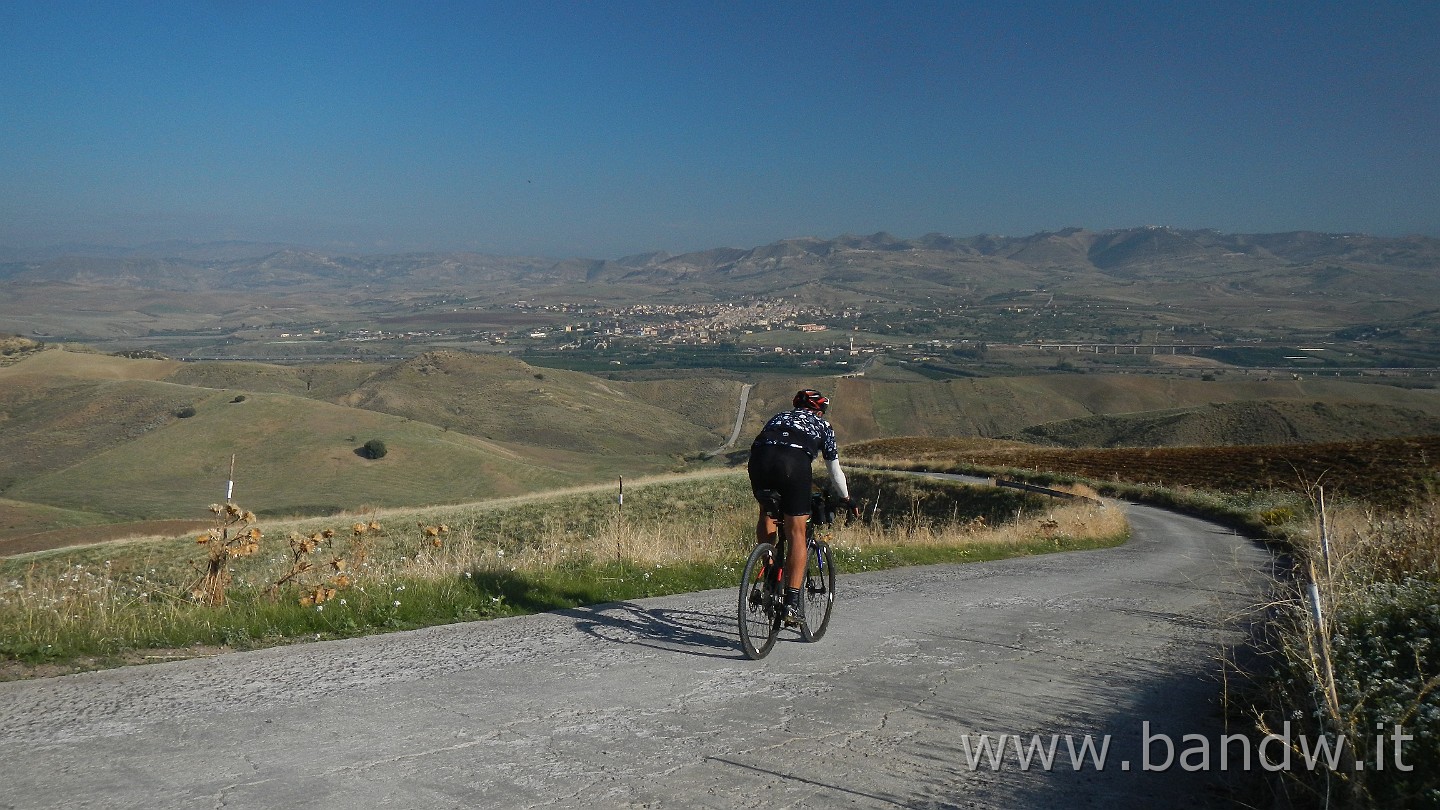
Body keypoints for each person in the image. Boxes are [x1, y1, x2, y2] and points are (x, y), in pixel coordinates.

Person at [747, 388, 856, 626]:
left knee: (767, 511)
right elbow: (834, 471)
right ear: (820, 410)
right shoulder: (823, 427)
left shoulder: (778, 417)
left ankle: (769, 566)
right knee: (796, 530)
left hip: (760, 460)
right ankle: (792, 604)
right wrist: (847, 499)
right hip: (792, 463)